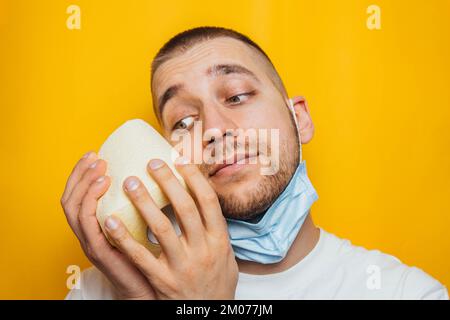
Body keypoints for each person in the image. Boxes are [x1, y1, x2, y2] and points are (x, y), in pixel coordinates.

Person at [62, 26, 448, 300]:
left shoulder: (407, 293)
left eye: (237, 96)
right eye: (184, 122)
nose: (213, 129)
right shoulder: (101, 291)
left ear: (299, 118)